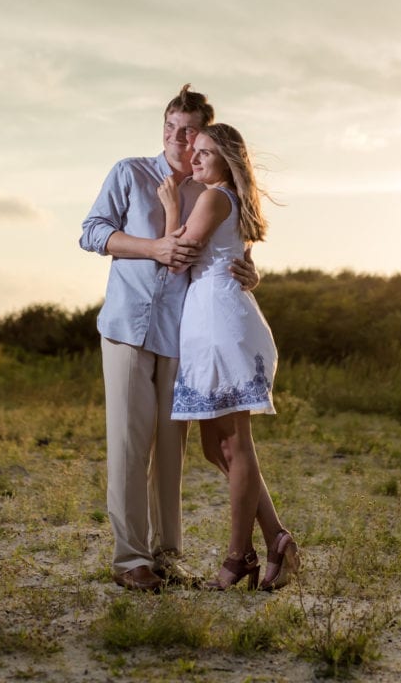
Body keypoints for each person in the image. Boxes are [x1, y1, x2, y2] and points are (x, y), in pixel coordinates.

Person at [79, 85, 258, 593]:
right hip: (126, 328)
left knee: (171, 453)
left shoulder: (208, 188)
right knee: (130, 444)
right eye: (171, 128)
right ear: (163, 128)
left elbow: (226, 247)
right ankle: (130, 558)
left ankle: (168, 555)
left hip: (183, 335)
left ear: (203, 134)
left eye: (189, 131)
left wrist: (248, 269)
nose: (178, 139)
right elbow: (92, 232)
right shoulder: (129, 173)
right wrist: (152, 247)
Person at [158, 123, 299, 591]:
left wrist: (172, 206)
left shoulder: (213, 198)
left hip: (221, 322)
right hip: (209, 320)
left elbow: (176, 256)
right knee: (213, 446)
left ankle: (238, 557)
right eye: (194, 151)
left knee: (236, 445)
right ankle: (277, 538)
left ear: (227, 161)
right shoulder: (226, 199)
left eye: (205, 153)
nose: (195, 160)